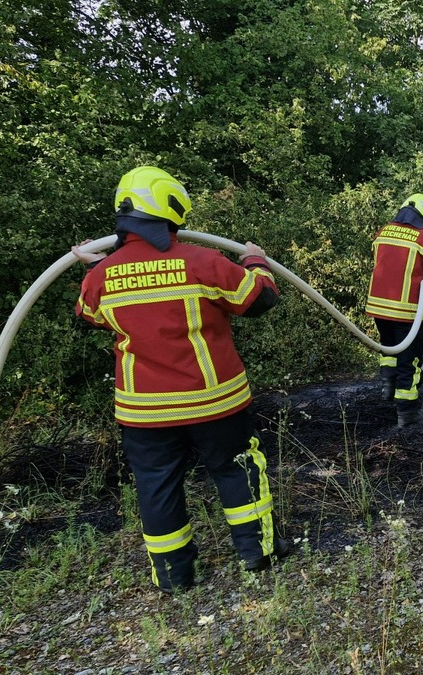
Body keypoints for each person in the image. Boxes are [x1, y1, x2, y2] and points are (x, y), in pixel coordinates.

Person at [72, 165, 291, 593]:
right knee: (236, 469)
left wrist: (100, 266)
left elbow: (91, 315)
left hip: (144, 411)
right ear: (172, 208)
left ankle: (174, 577)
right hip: (214, 401)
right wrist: (255, 259)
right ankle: (258, 551)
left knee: (156, 486)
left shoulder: (100, 277)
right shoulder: (203, 261)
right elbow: (259, 298)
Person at [365, 193, 423, 428]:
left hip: (379, 307)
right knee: (409, 360)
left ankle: (387, 388)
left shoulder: (383, 232)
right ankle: (407, 412)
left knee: (389, 349)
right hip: (406, 310)